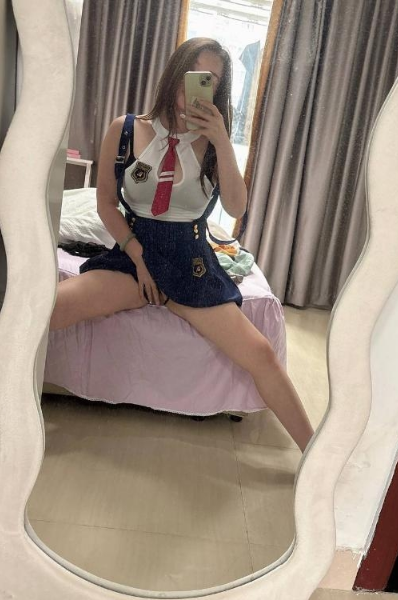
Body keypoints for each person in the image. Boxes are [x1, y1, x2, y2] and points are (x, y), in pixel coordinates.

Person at [49, 37, 315, 453]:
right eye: (193, 74)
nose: (197, 87)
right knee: (49, 310)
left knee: (261, 354)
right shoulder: (126, 130)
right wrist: (138, 258)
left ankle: (316, 458)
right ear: (176, 72)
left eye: (211, 81)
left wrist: (223, 141)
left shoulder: (213, 144)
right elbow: (105, 204)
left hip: (192, 263)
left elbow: (236, 206)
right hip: (135, 256)